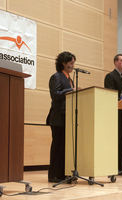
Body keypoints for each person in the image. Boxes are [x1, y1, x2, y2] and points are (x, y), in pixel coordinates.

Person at [46, 51, 80, 183]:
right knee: (58, 147)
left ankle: (63, 174)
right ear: (63, 63)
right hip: (58, 117)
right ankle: (54, 175)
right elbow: (55, 95)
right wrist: (72, 90)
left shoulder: (69, 79)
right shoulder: (56, 77)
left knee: (64, 148)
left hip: (68, 117)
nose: (73, 66)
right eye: (71, 63)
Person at [104, 54, 122, 174]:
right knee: (116, 140)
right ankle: (114, 166)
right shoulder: (110, 76)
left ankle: (121, 166)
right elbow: (109, 94)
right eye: (121, 60)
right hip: (115, 114)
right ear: (115, 62)